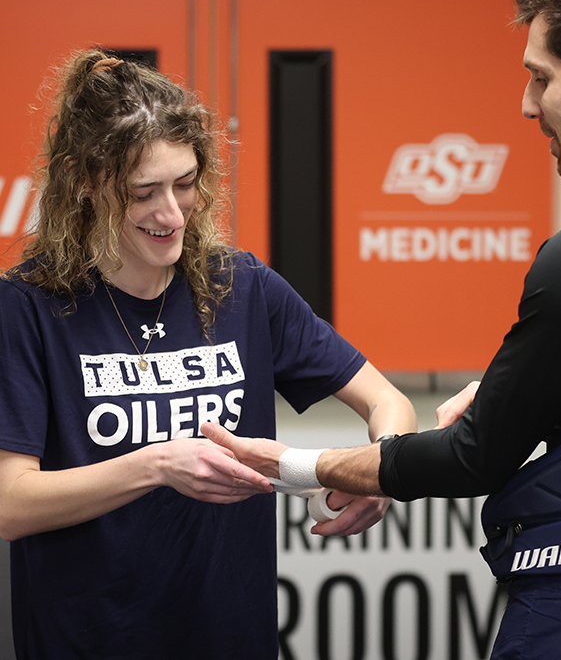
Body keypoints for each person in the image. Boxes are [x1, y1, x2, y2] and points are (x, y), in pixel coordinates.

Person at [203, 0, 561, 659]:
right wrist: (537, 387)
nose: (526, 105)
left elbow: (475, 458)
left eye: (540, 78)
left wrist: (297, 466)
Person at [0, 50, 417, 660]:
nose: (172, 214)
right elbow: (10, 505)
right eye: (144, 192)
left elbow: (387, 400)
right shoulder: (29, 307)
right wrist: (156, 465)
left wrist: (381, 470)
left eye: (186, 184)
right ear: (86, 182)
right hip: (85, 640)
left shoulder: (242, 287)